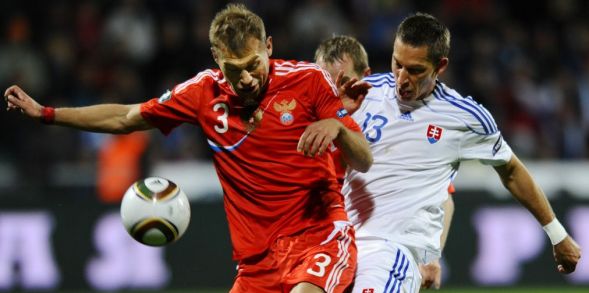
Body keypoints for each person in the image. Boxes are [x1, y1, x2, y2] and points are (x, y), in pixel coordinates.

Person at [4, 4, 373, 293]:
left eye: (252, 65)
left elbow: (364, 159)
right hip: (255, 265)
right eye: (233, 68)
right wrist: (48, 113)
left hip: (318, 240)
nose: (245, 79)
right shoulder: (203, 93)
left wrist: (338, 127)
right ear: (216, 58)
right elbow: (126, 117)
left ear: (269, 47)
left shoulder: (308, 80)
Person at [338, 13, 581, 292]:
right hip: (340, 243)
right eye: (397, 64)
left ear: (440, 66)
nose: (402, 79)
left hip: (394, 251)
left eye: (416, 70)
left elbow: (511, 170)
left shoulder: (465, 118)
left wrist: (558, 235)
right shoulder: (363, 94)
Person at [314, 34, 455, 290]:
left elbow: (442, 198)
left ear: (366, 77)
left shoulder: (388, 132)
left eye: (343, 81)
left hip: (372, 252)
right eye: (325, 83)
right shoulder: (303, 128)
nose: (335, 92)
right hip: (317, 253)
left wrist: (430, 256)